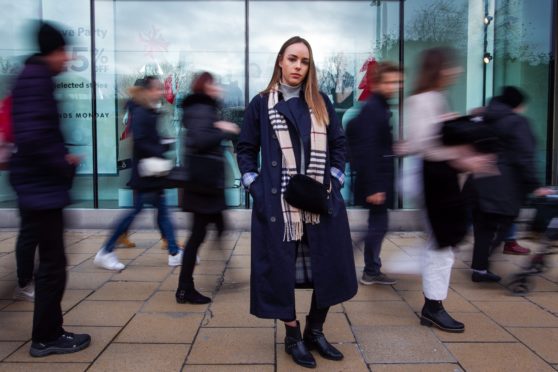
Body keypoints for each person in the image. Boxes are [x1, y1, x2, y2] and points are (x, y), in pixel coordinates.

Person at [237, 36, 357, 369]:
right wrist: (256, 187)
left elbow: (339, 145)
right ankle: (293, 336)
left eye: (304, 62)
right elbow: (245, 149)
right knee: (279, 272)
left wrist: (334, 179)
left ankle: (314, 330)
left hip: (321, 202)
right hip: (279, 206)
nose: (298, 67)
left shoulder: (321, 101)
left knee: (330, 268)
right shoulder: (261, 104)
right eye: (292, 59)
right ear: (280, 61)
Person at [9, 21, 91, 356]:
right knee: (54, 265)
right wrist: (63, 160)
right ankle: (46, 336)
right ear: (52, 52)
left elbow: (31, 134)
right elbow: (32, 138)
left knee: (49, 260)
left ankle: (49, 330)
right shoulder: (35, 80)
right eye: (64, 52)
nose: (68, 59)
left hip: (36, 187)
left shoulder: (32, 79)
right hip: (41, 189)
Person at [402, 47, 479, 333]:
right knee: (441, 245)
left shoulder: (434, 98)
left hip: (441, 179)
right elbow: (425, 144)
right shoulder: (422, 100)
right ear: (437, 69)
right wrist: (457, 147)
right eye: (449, 66)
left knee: (443, 244)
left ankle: (433, 305)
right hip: (435, 180)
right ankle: (433, 307)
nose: (454, 71)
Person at [94, 76, 183, 271]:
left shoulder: (146, 110)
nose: (161, 92)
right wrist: (162, 146)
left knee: (163, 213)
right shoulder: (141, 112)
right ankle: (106, 251)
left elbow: (147, 139)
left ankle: (175, 252)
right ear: (147, 91)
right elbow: (142, 142)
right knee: (135, 213)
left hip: (151, 173)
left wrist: (162, 142)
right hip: (146, 173)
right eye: (157, 89)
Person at [470, 86, 550, 282]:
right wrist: (535, 185)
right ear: (518, 105)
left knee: (484, 228)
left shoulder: (484, 118)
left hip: (480, 180)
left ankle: (479, 268)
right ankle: (482, 265)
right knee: (503, 225)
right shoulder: (517, 122)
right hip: (505, 185)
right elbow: (524, 156)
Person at [175, 72, 238, 304]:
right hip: (203, 186)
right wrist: (223, 128)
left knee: (215, 229)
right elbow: (201, 141)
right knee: (200, 235)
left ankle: (219, 275)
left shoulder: (202, 108)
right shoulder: (202, 109)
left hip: (204, 185)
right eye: (215, 84)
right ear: (207, 86)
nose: (219, 88)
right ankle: (185, 287)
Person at [347, 61, 402, 286]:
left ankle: (371, 268)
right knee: (378, 226)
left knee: (376, 225)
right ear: (378, 83)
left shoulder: (380, 106)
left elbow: (376, 145)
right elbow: (368, 149)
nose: (394, 86)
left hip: (377, 179)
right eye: (390, 82)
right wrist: (374, 187)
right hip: (375, 181)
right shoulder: (374, 108)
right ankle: (352, 261)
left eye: (398, 82)